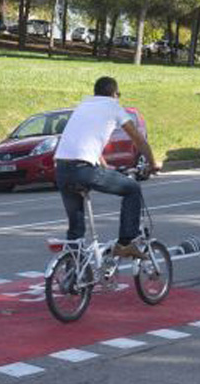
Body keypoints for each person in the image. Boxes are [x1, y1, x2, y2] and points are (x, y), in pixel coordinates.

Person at [54, 76, 160, 258]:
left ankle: (73, 272)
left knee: (76, 230)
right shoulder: (113, 107)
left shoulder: (83, 106)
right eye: (118, 94)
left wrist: (105, 166)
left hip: (61, 169)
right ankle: (125, 243)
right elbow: (138, 138)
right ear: (113, 94)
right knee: (132, 189)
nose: (118, 97)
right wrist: (152, 163)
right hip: (83, 170)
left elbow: (89, 143)